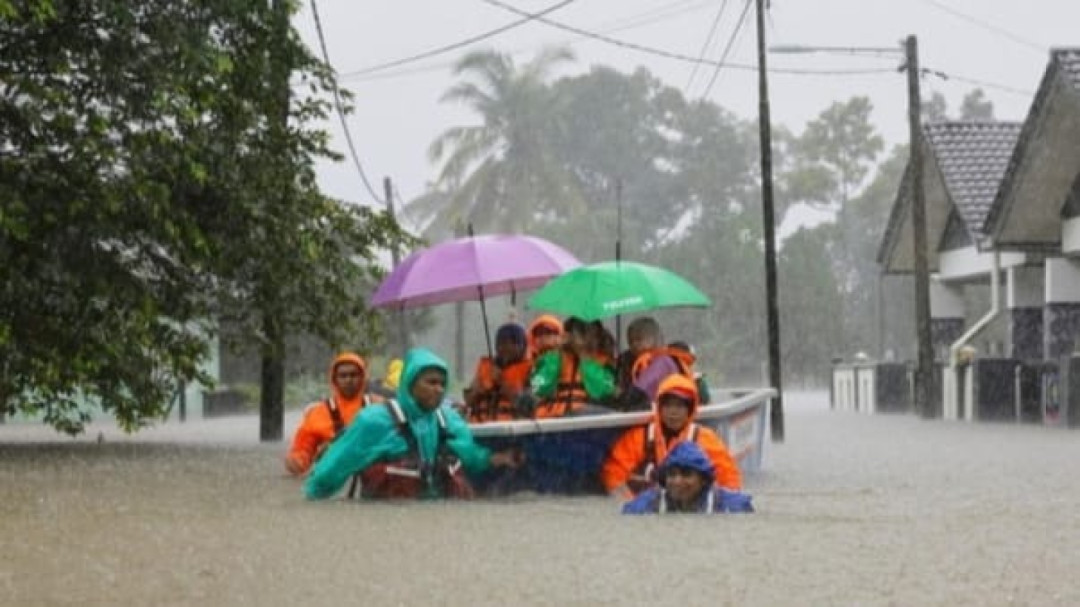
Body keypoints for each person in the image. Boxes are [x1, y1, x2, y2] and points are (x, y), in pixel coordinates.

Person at [304, 347, 521, 500]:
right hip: (385, 523)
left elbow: (469, 453)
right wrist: (313, 500)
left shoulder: (449, 421)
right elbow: (331, 471)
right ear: (410, 383)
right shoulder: (373, 421)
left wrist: (496, 459)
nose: (438, 389)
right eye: (431, 382)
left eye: (442, 384)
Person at [601, 373, 741, 500]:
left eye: (680, 406)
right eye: (668, 406)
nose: (673, 412)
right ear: (659, 408)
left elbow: (729, 479)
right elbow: (614, 472)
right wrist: (631, 504)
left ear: (690, 409)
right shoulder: (639, 437)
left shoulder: (705, 439)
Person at [284, 352, 380, 476]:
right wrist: (296, 461)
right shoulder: (318, 413)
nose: (348, 380)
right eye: (343, 376)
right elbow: (303, 447)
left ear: (363, 377)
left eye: (353, 375)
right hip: (335, 474)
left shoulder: (379, 406)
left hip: (370, 471)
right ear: (334, 379)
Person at [622, 441, 754, 515]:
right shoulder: (644, 506)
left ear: (703, 480)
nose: (677, 481)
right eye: (672, 474)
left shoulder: (734, 507)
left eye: (686, 474)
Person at [527, 316, 615, 418]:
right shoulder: (555, 358)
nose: (589, 338)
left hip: (591, 415)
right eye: (582, 332)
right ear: (569, 335)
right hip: (558, 415)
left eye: (594, 333)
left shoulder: (603, 360)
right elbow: (538, 387)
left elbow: (602, 391)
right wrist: (558, 354)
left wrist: (583, 357)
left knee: (617, 418)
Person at [614, 317, 696, 410]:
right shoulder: (629, 361)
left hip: (666, 410)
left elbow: (642, 389)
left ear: (654, 338)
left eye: (639, 339)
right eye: (631, 341)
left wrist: (624, 398)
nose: (634, 344)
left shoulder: (663, 361)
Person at [464, 322, 532, 422]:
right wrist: (480, 388)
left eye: (513, 343)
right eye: (502, 343)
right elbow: (468, 401)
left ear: (523, 346)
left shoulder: (531, 369)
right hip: (481, 427)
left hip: (513, 430)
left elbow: (527, 407)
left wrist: (502, 382)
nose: (506, 347)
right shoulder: (487, 367)